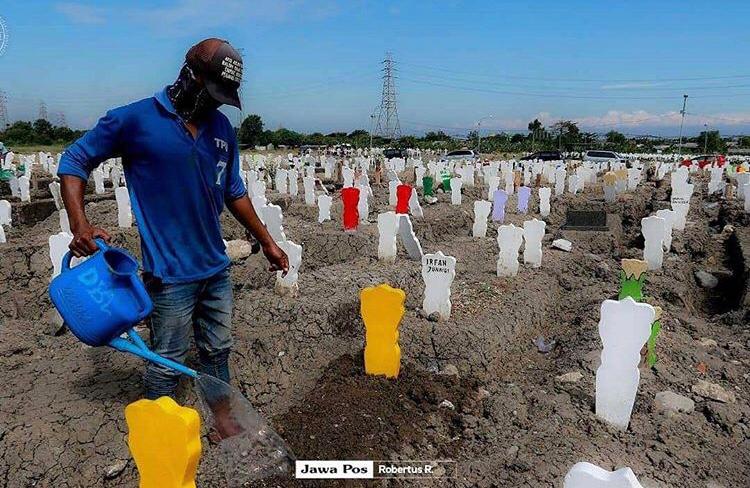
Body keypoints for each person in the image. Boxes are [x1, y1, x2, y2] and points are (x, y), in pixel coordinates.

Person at [58, 38, 288, 400]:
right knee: (166, 360)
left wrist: (268, 241)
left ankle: (222, 419)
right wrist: (79, 224)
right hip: (169, 276)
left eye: (222, 97)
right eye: (211, 93)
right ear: (189, 75)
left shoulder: (222, 130)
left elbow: (234, 191)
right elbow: (74, 161)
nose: (214, 103)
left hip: (216, 267)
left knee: (218, 349)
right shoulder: (134, 119)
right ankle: (158, 434)